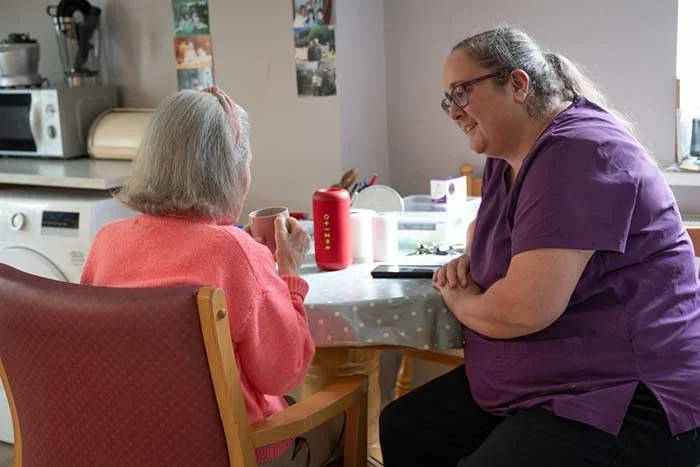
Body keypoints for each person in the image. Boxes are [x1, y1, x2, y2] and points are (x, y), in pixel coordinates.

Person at [379, 26, 700, 467]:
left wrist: (459, 298)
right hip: (553, 378)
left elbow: (524, 309)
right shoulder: (506, 155)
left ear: (517, 84)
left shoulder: (580, 152)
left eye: (460, 93)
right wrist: (474, 256)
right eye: (447, 99)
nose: (452, 111)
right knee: (407, 425)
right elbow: (491, 228)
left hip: (626, 394)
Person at [81, 87, 344, 467]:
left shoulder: (106, 243)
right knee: (342, 421)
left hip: (130, 449)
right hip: (232, 452)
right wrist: (288, 271)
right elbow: (283, 375)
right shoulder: (233, 252)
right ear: (233, 170)